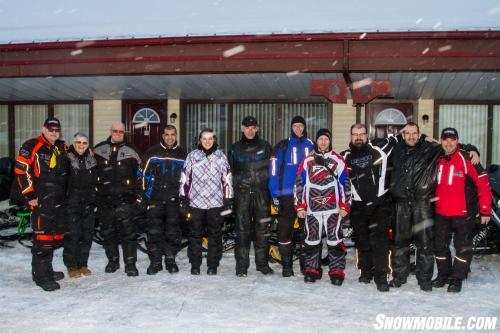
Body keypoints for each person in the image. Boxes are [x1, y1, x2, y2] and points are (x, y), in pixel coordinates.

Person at [387, 122, 479, 291]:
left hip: (422, 203)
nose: (411, 136)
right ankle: (399, 276)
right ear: (403, 135)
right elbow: (376, 147)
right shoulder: (396, 149)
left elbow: (450, 146)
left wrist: (472, 149)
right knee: (400, 243)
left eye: (415, 133)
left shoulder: (430, 149)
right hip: (401, 204)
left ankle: (424, 279)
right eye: (408, 133)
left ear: (419, 134)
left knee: (425, 244)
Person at [432, 128, 491, 293]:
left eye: (452, 139)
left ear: (457, 140)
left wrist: (485, 210)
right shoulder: (437, 157)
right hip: (441, 212)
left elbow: (483, 184)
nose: (449, 143)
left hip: (463, 213)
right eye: (445, 139)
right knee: (439, 246)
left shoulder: (467, 158)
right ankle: (443, 275)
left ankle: (457, 278)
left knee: (462, 248)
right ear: (441, 140)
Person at [14, 117, 69, 291]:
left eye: (57, 129)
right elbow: (21, 171)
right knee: (42, 240)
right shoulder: (31, 146)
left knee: (52, 238)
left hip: (58, 201)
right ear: (43, 129)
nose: (54, 132)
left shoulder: (61, 147)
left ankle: (48, 270)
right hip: (40, 201)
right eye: (51, 129)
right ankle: (41, 276)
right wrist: (29, 194)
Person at [294, 128, 351, 285]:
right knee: (311, 241)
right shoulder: (307, 161)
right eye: (320, 139)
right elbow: (299, 184)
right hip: (312, 210)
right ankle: (312, 269)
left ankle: (337, 271)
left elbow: (345, 184)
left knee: (335, 242)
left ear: (330, 141)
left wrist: (345, 205)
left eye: (326, 139)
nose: (323, 142)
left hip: (333, 210)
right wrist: (300, 206)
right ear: (316, 141)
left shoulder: (338, 160)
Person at [340, 124, 392, 292]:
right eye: (355, 134)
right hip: (358, 206)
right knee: (362, 241)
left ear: (367, 135)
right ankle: (366, 272)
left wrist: (470, 150)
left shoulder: (381, 149)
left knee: (380, 242)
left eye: (362, 134)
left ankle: (381, 276)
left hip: (379, 204)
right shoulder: (344, 157)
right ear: (350, 137)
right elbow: (325, 158)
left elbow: (408, 137)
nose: (358, 137)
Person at [179, 128, 233, 275]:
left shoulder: (221, 157)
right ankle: (195, 264)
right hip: (196, 203)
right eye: (204, 138)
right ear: (199, 140)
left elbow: (227, 180)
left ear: (214, 140)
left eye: (210, 138)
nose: (207, 141)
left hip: (215, 203)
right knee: (195, 235)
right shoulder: (192, 156)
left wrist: (227, 200)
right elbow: (185, 179)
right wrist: (183, 200)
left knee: (215, 236)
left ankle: (212, 265)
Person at [93, 122, 142, 277]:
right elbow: (90, 173)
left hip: (126, 201)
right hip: (105, 201)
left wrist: (137, 196)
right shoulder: (98, 150)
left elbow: (140, 176)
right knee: (108, 233)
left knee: (129, 234)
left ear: (124, 132)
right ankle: (113, 261)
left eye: (121, 131)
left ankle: (130, 264)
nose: (118, 133)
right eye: (115, 131)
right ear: (111, 131)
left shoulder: (132, 151)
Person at [228, 116, 274, 277]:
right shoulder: (235, 148)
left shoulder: (266, 147)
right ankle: (241, 266)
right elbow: (228, 174)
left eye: (253, 127)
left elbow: (273, 171)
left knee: (262, 231)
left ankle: (262, 264)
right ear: (241, 128)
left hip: (262, 194)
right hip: (242, 195)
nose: (250, 130)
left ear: (258, 129)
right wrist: (238, 181)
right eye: (247, 127)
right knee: (242, 232)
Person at [269, 116, 314, 277]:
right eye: (295, 126)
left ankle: (305, 265)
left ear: (304, 127)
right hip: (286, 195)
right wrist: (275, 194)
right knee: (285, 231)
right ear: (291, 127)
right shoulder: (283, 145)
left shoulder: (312, 145)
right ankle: (287, 265)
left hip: (306, 196)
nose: (298, 129)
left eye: (301, 126)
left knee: (306, 232)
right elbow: (273, 172)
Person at [142, 125, 186, 275]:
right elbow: (142, 175)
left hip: (174, 199)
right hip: (155, 198)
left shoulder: (182, 154)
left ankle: (170, 259)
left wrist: (183, 198)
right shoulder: (152, 152)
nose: (170, 137)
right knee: (154, 231)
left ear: (176, 135)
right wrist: (145, 197)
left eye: (172, 134)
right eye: (167, 134)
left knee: (172, 232)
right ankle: (155, 262)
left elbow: (187, 179)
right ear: (162, 135)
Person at [63, 132, 98, 278]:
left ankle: (83, 264)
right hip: (71, 203)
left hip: (88, 203)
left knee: (87, 235)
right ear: (73, 143)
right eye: (79, 142)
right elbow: (61, 182)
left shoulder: (92, 160)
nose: (81, 145)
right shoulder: (66, 158)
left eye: (84, 143)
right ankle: (71, 266)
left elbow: (97, 181)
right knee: (73, 235)